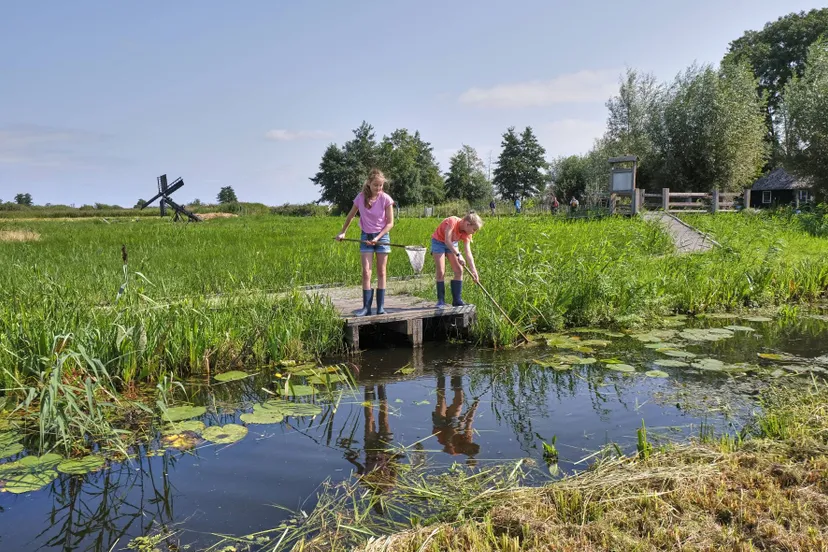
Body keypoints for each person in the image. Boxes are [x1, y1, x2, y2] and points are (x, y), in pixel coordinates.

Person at [335, 168, 394, 316]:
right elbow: (350, 216)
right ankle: (366, 308)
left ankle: (380, 308)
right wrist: (343, 232)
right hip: (365, 236)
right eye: (376, 185)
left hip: (382, 238)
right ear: (368, 183)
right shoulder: (360, 198)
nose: (379, 188)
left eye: (381, 186)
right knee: (366, 272)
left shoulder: (386, 198)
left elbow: (390, 223)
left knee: (381, 271)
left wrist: (377, 238)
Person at [430, 211, 483, 307]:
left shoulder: (467, 233)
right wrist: (458, 254)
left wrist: (474, 271)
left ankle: (457, 300)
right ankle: (441, 300)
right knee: (441, 271)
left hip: (452, 244)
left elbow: (468, 253)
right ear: (467, 224)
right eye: (474, 229)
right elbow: (447, 241)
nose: (474, 232)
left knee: (459, 270)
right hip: (439, 242)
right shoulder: (452, 221)